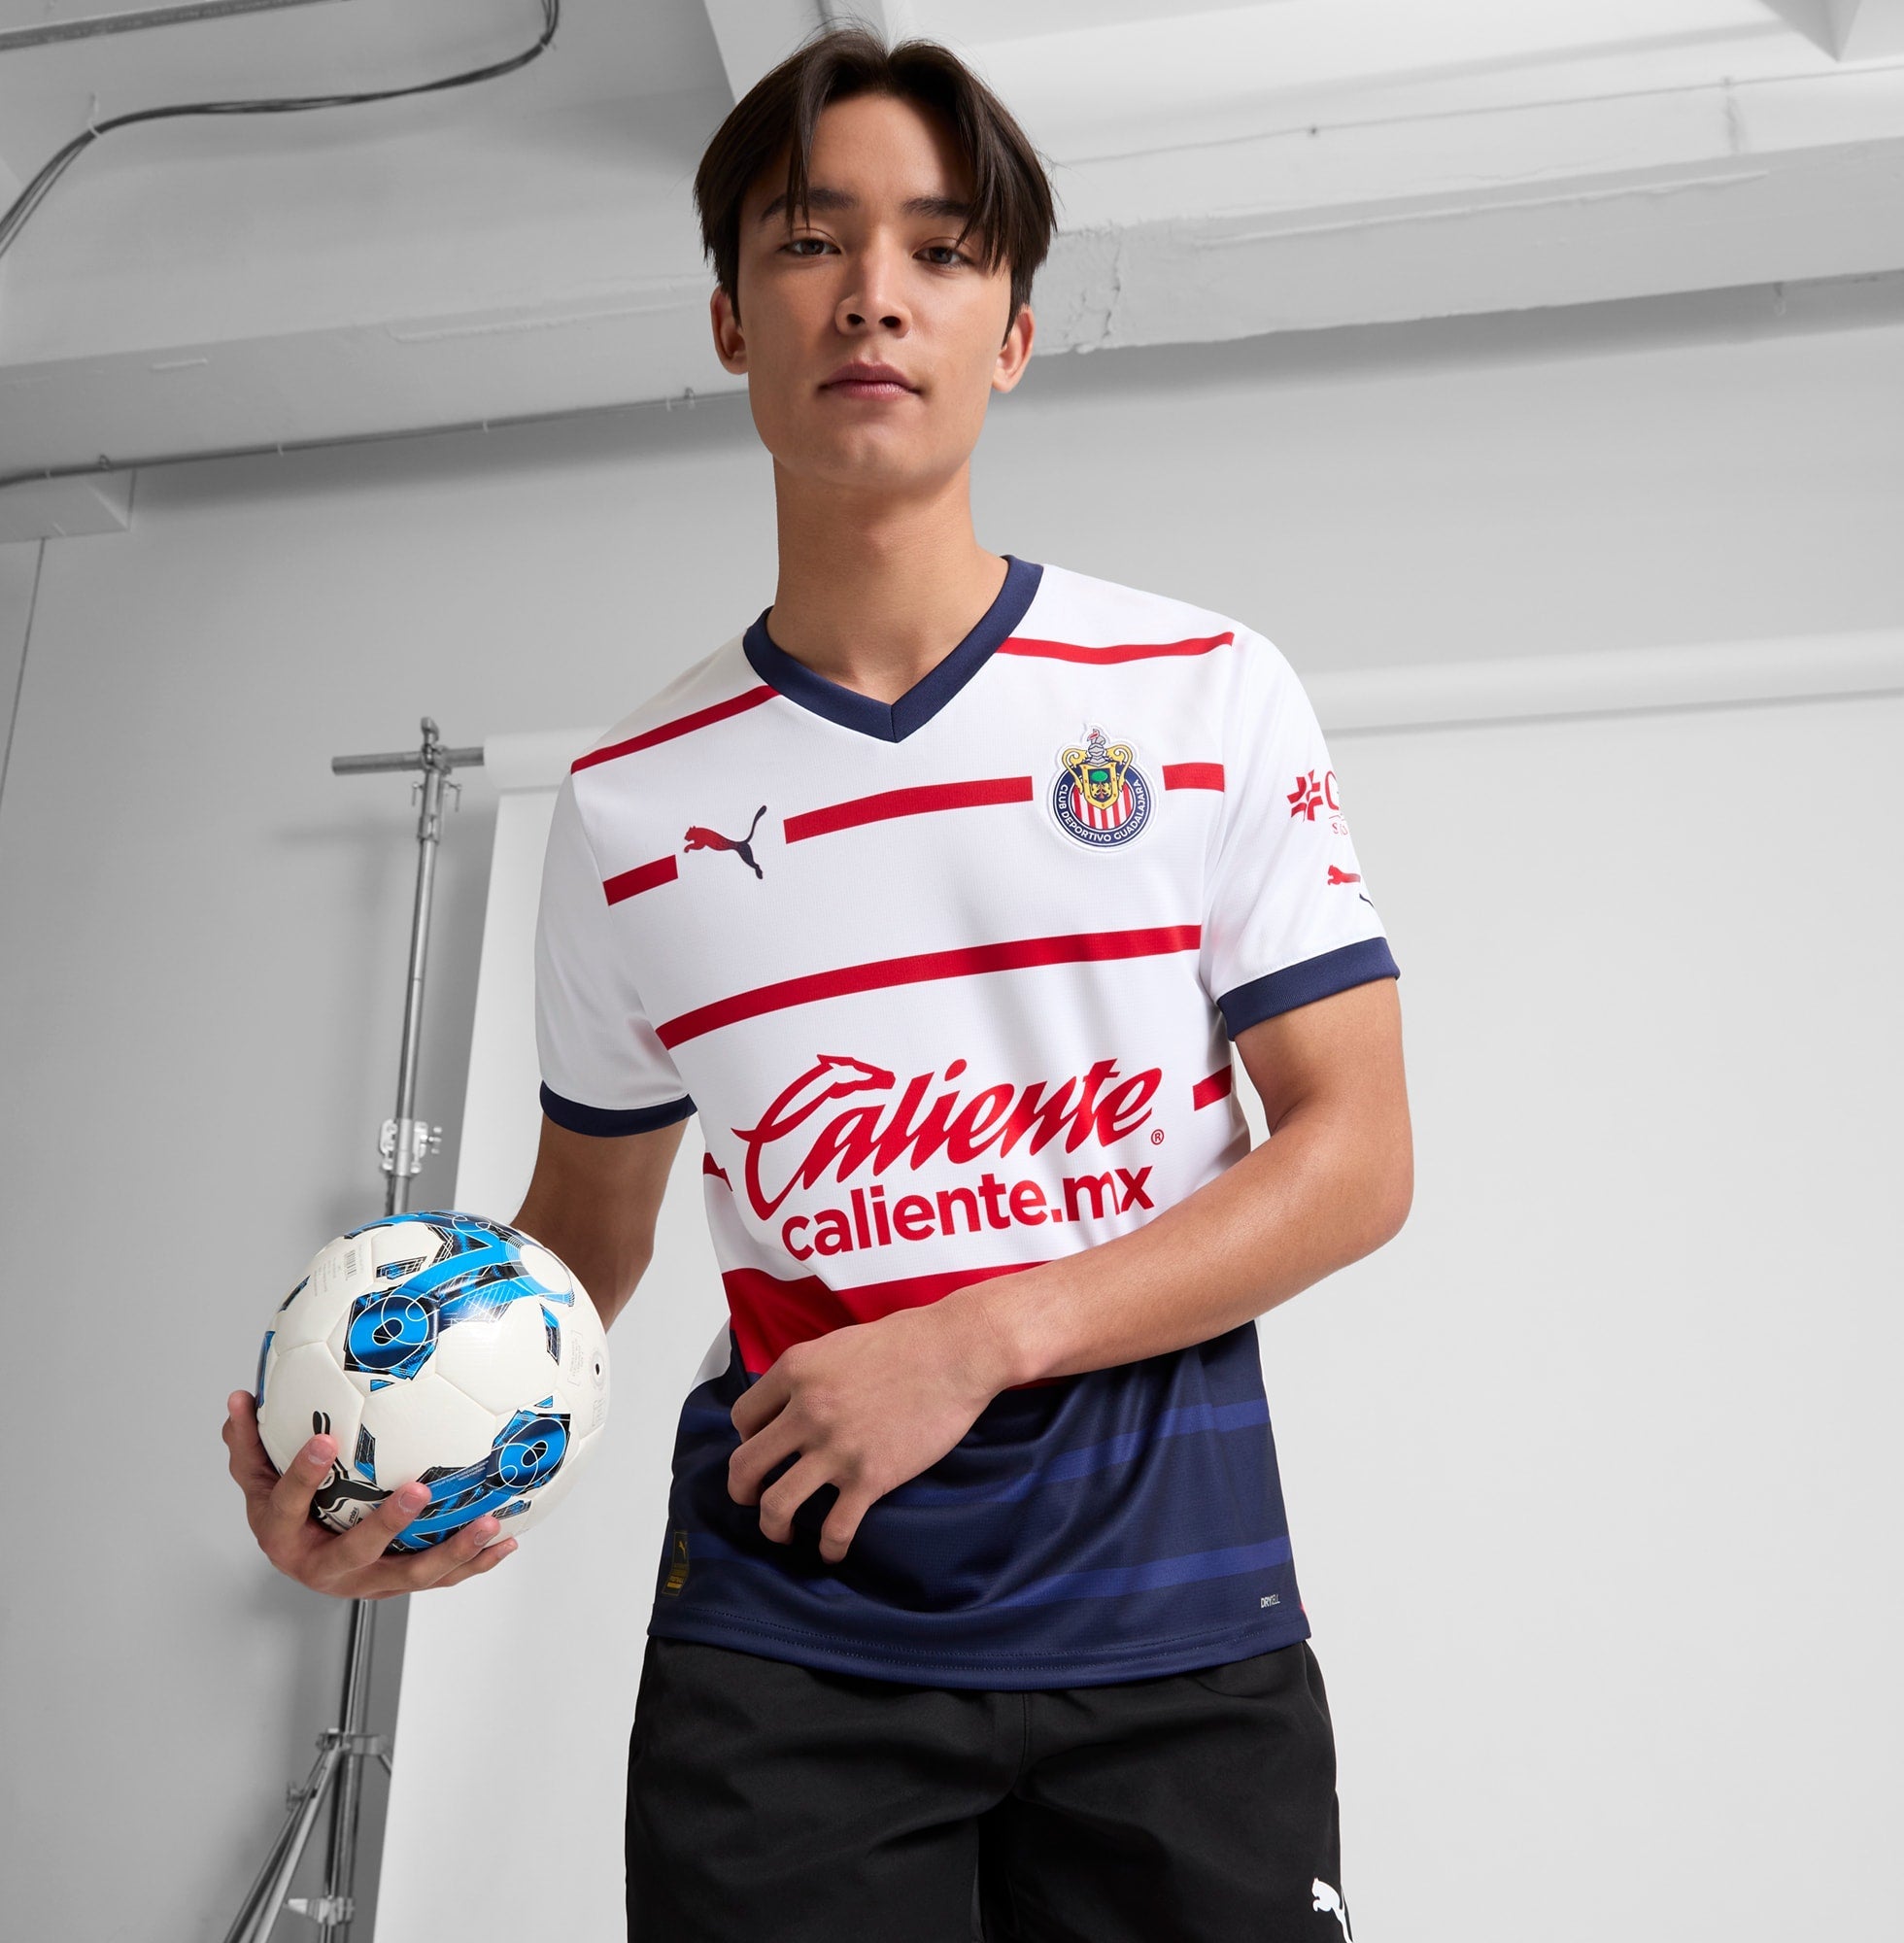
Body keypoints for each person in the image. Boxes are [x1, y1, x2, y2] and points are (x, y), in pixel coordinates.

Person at [223, 27, 1411, 1941]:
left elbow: (1354, 1155)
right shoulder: (630, 805)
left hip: (1174, 1636)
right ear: (728, 318)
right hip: (788, 1655)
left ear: (1012, 333)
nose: (874, 291)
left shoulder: (1198, 697)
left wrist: (974, 1340)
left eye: (941, 248)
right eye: (810, 240)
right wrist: (403, 1452)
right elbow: (583, 1238)